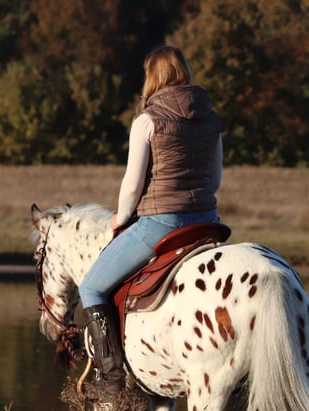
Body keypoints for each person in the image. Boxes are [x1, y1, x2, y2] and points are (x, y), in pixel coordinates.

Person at [79, 44, 223, 387]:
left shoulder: (147, 121)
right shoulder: (211, 119)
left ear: (152, 78)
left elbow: (132, 184)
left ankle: (111, 375)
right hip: (207, 222)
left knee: (91, 287)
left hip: (162, 223)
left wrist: (121, 217)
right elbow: (215, 180)